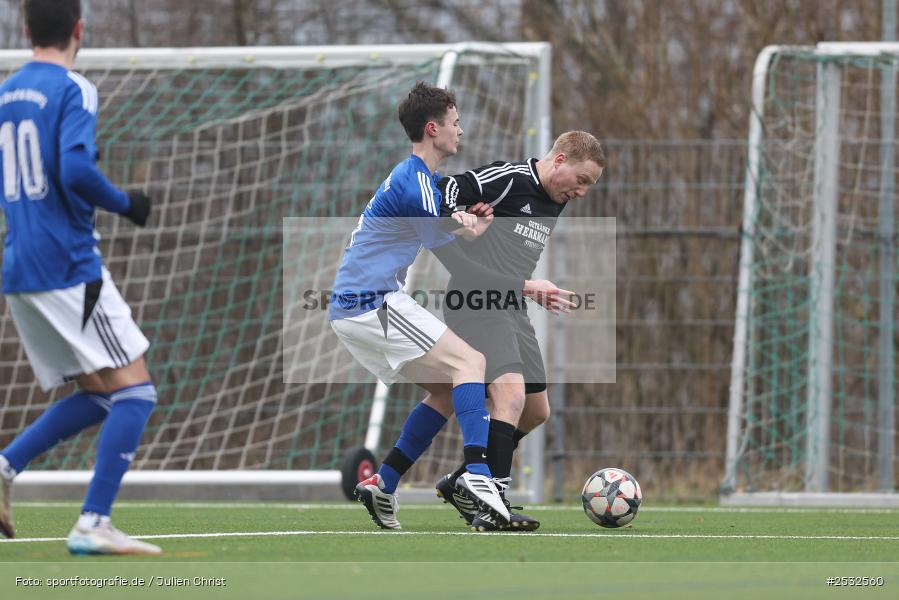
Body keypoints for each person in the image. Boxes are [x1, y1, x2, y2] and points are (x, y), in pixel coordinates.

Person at [328, 82, 571, 530]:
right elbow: (455, 262)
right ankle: (478, 475)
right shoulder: (415, 179)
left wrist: (466, 227)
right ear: (434, 128)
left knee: (445, 390)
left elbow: (446, 226)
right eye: (456, 123)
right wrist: (524, 283)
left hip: (359, 306)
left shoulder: (424, 181)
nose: (462, 131)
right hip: (372, 301)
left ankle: (384, 481)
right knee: (471, 363)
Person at [376, 131, 605, 531]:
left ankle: (462, 481)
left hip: (511, 304)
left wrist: (529, 289)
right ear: (560, 160)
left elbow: (512, 253)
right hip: (477, 300)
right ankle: (493, 500)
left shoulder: (557, 199)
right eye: (581, 180)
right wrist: (461, 221)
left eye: (589, 186)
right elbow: (442, 190)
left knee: (536, 410)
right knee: (510, 395)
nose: (582, 192)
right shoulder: (510, 178)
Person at [0, 0, 159, 555]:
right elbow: (72, 168)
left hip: (18, 264)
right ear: (78, 29)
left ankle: (4, 465)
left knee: (98, 394)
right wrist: (126, 202)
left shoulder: (6, 93)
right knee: (136, 390)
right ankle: (93, 522)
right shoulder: (74, 88)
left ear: (25, 29)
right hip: (68, 265)